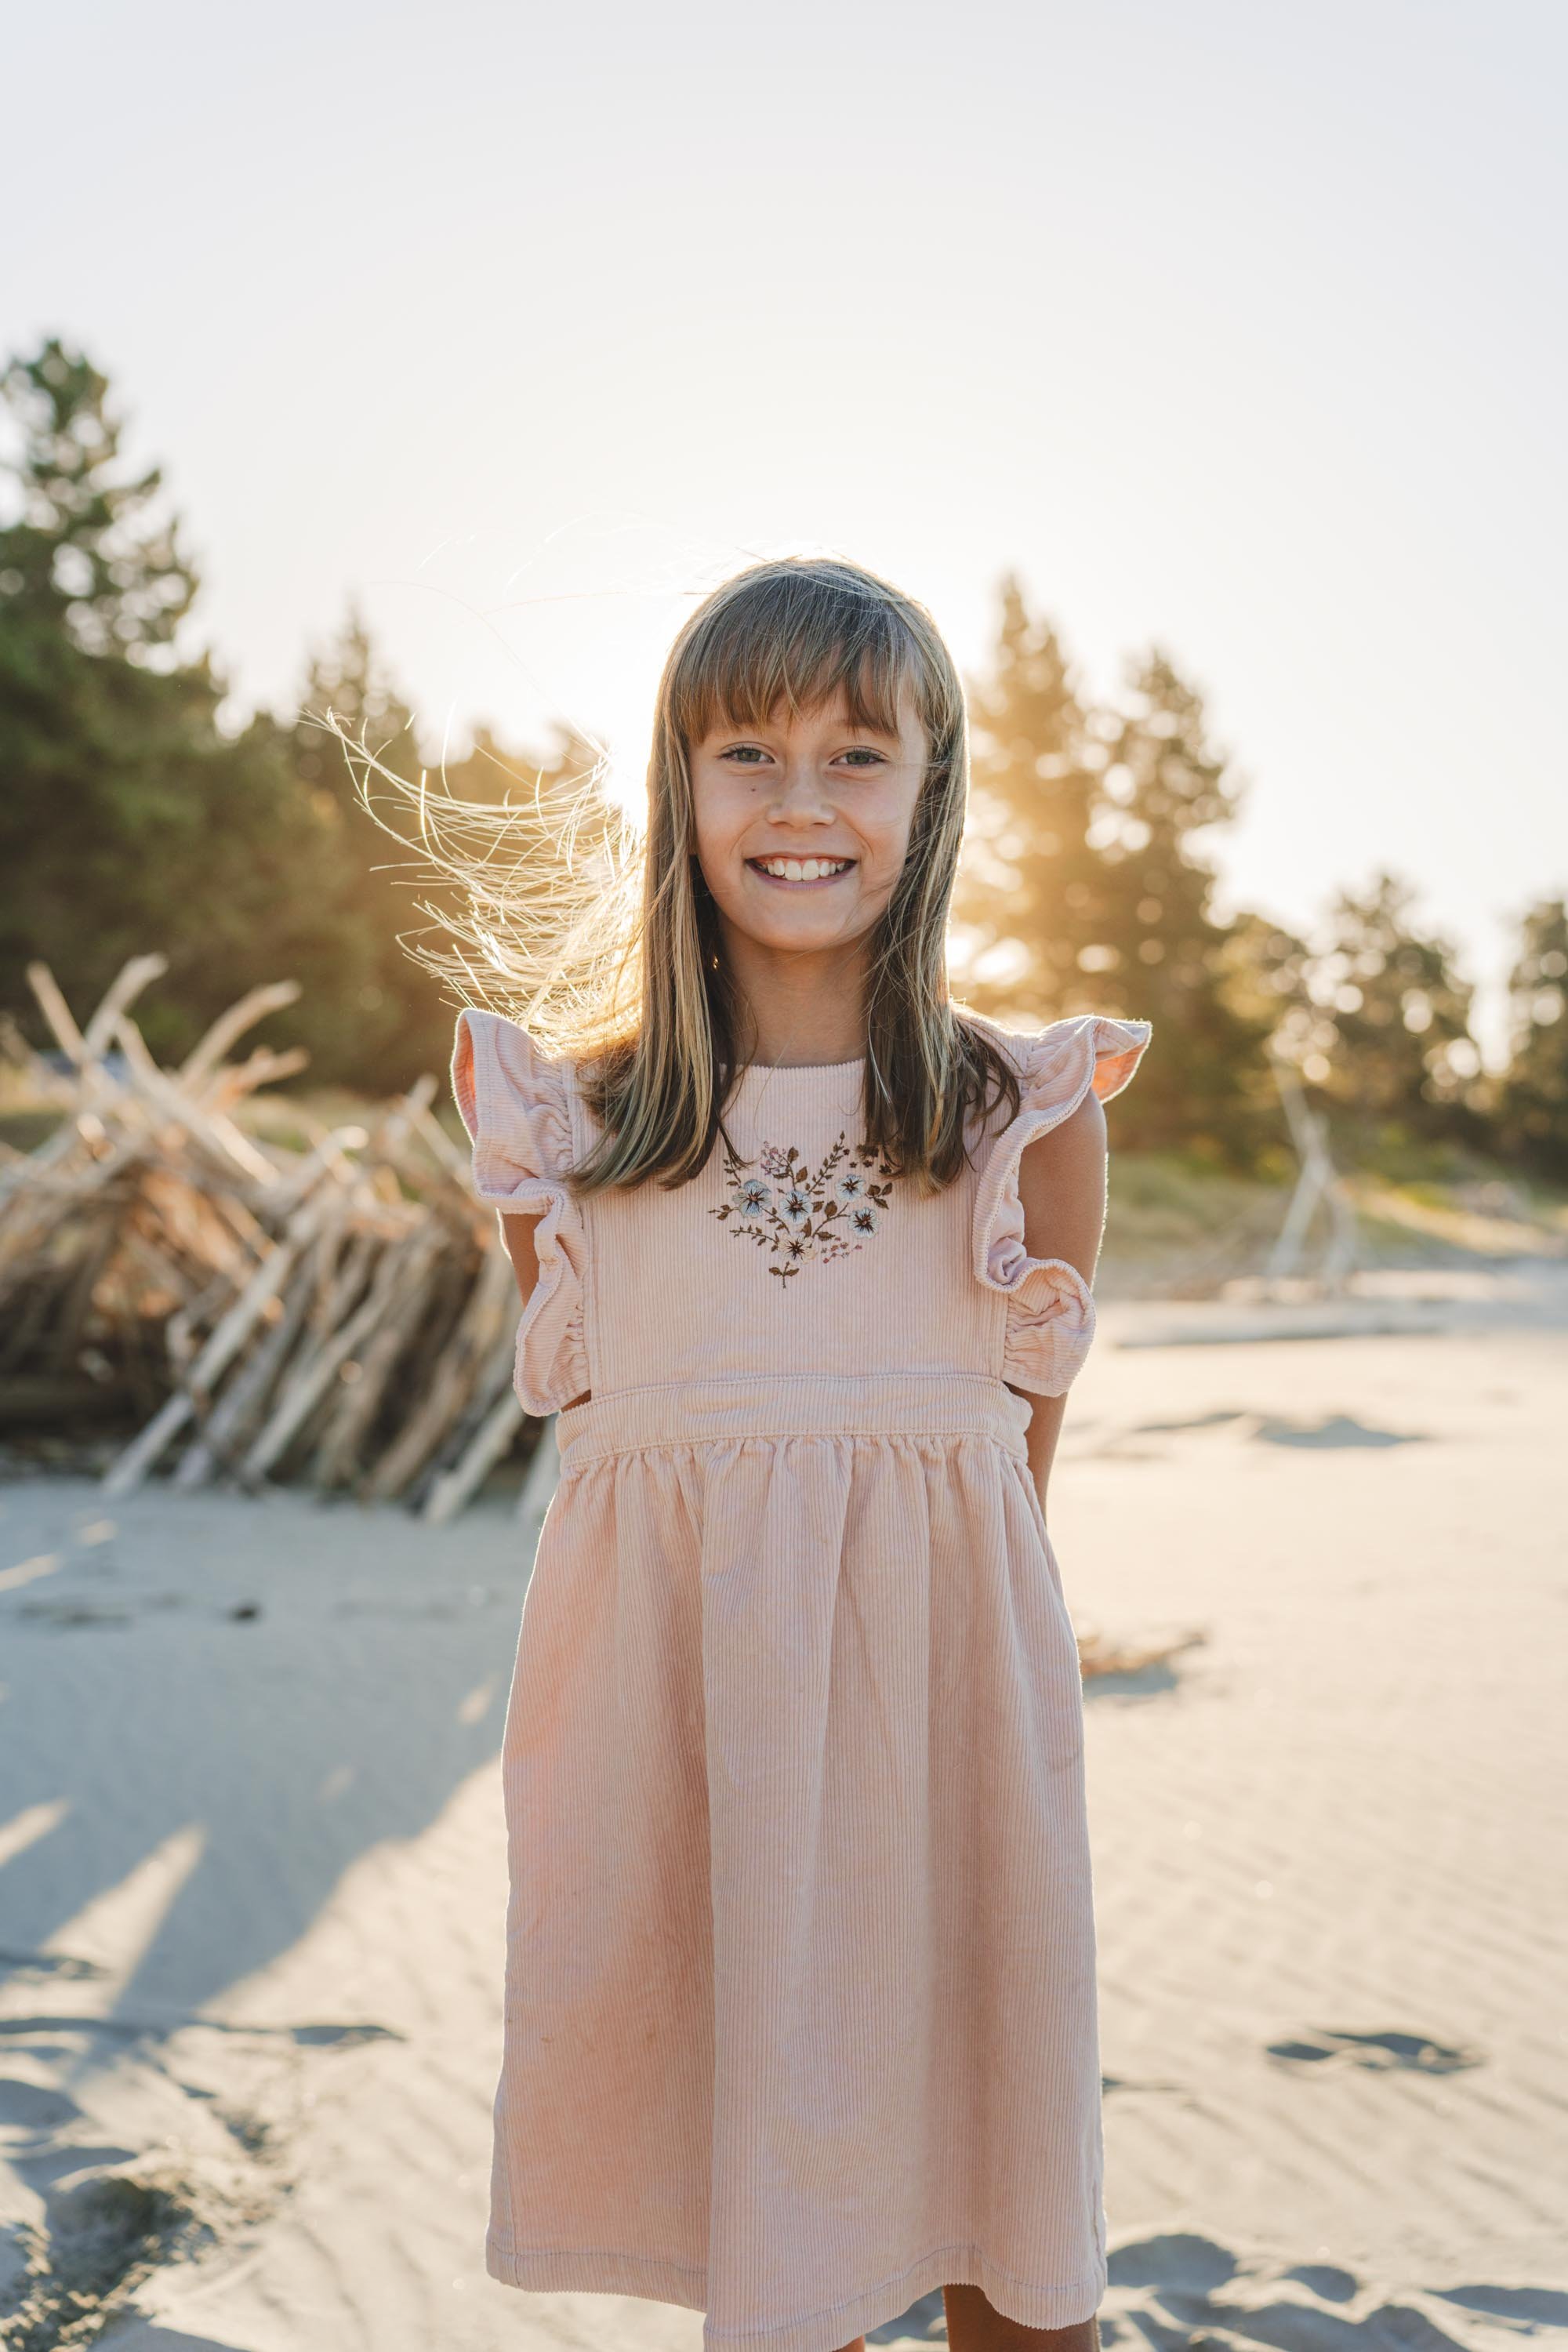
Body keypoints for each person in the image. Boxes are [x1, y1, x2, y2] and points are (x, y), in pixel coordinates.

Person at [449, 554, 1151, 2352]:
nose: (800, 802)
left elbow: (1012, 1499)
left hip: (957, 1758)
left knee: (1017, 2262)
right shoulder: (573, 1138)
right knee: (778, 2275)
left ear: (933, 797)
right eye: (746, 752)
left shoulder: (1020, 1121)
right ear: (676, 790)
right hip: (688, 1771)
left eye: (858, 755)